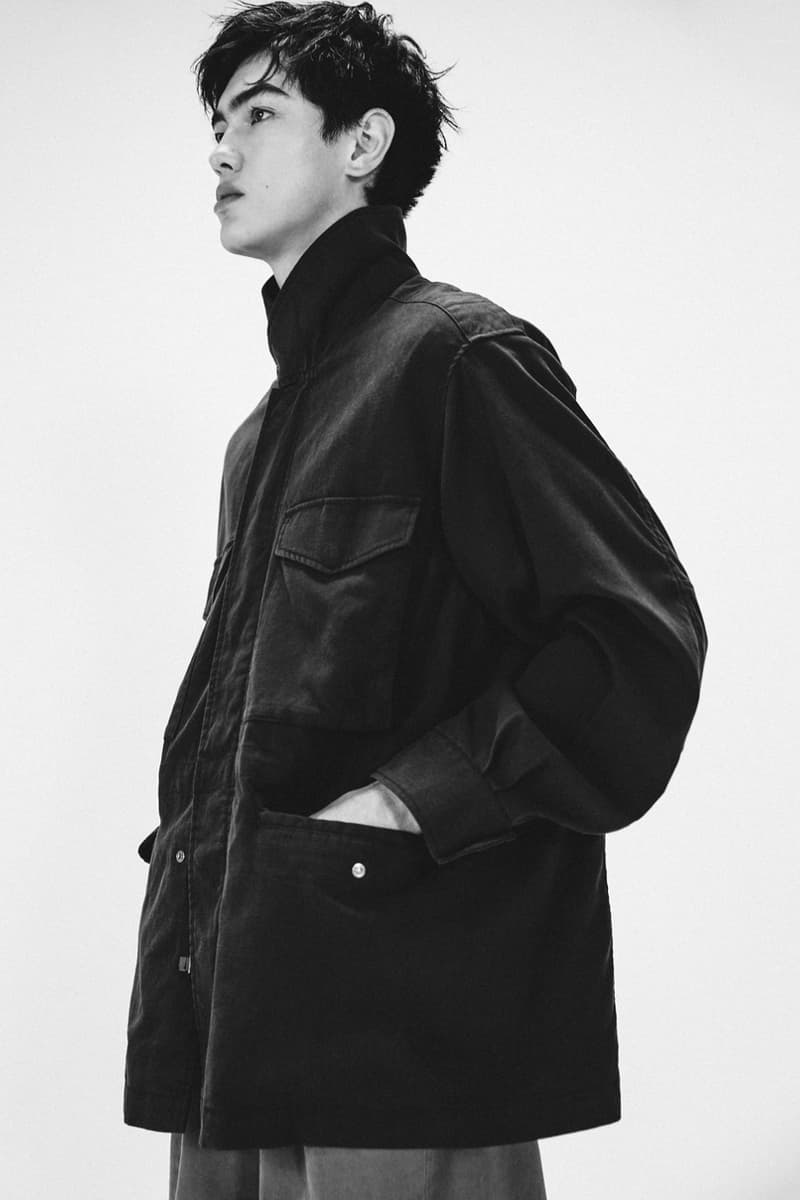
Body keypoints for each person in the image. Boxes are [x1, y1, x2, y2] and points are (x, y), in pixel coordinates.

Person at [123, 3, 709, 1197]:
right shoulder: (258, 440)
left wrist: (405, 802)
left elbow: (631, 642)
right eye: (216, 124)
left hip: (402, 1033)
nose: (220, 149)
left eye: (259, 114)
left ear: (362, 142)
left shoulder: (456, 358)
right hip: (231, 1023)